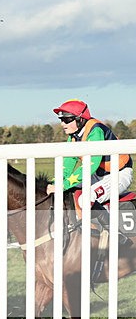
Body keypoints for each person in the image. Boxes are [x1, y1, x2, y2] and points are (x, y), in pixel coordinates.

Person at [48, 99, 133, 247]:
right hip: (100, 175)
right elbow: (67, 164)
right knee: (72, 193)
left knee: (86, 198)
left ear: (80, 119)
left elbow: (90, 164)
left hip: (119, 174)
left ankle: (116, 234)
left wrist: (64, 185)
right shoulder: (73, 136)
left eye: (67, 119)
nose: (62, 124)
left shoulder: (96, 131)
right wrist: (56, 183)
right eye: (61, 119)